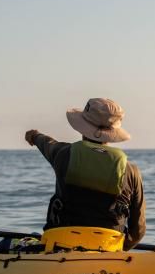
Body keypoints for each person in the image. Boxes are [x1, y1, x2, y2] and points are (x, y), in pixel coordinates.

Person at [24, 97, 146, 249]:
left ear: (82, 127)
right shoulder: (132, 172)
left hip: (59, 244)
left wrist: (34, 135)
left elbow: (47, 144)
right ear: (113, 132)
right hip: (109, 248)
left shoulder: (63, 154)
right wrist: (120, 248)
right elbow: (138, 230)